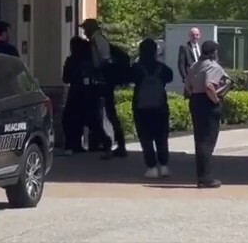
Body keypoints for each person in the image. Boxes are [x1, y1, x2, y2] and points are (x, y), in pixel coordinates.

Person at [187, 40, 232, 188]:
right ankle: (207, 178)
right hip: (207, 103)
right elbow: (209, 85)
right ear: (213, 53)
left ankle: (201, 176)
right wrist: (216, 101)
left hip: (195, 101)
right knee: (208, 141)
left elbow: (188, 87)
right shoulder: (213, 67)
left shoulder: (194, 66)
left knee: (199, 140)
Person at [81, 18, 127, 159]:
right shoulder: (96, 40)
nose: (84, 32)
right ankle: (111, 143)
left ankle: (116, 144)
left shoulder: (98, 40)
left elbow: (105, 60)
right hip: (104, 80)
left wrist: (98, 72)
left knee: (108, 113)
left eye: (85, 29)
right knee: (104, 112)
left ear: (91, 29)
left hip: (105, 81)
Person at [132, 37, 174, 179]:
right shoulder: (162, 68)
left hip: (141, 106)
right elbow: (170, 77)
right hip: (160, 106)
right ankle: (164, 165)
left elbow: (127, 77)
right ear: (155, 51)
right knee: (161, 136)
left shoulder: (136, 68)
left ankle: (151, 166)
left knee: (145, 137)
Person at [61, 35, 103, 155]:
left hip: (75, 93)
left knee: (72, 119)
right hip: (90, 93)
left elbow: (66, 78)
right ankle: (94, 144)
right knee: (93, 119)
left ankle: (74, 144)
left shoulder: (71, 60)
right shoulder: (90, 61)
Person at [177, 27, 202, 96]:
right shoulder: (184, 48)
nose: (195, 37)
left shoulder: (201, 48)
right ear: (189, 36)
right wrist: (185, 79)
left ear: (200, 35)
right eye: (193, 35)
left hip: (201, 80)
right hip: (190, 79)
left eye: (197, 35)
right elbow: (181, 65)